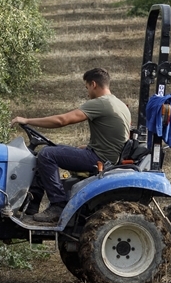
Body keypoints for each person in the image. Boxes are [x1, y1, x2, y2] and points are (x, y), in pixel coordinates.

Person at [11, 68, 131, 222]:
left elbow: (62, 120)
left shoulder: (101, 103)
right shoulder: (119, 103)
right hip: (104, 155)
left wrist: (27, 121)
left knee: (47, 154)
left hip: (100, 160)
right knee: (50, 150)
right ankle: (31, 206)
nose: (87, 92)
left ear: (93, 84)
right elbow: (115, 136)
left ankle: (58, 205)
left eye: (87, 87)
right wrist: (88, 147)